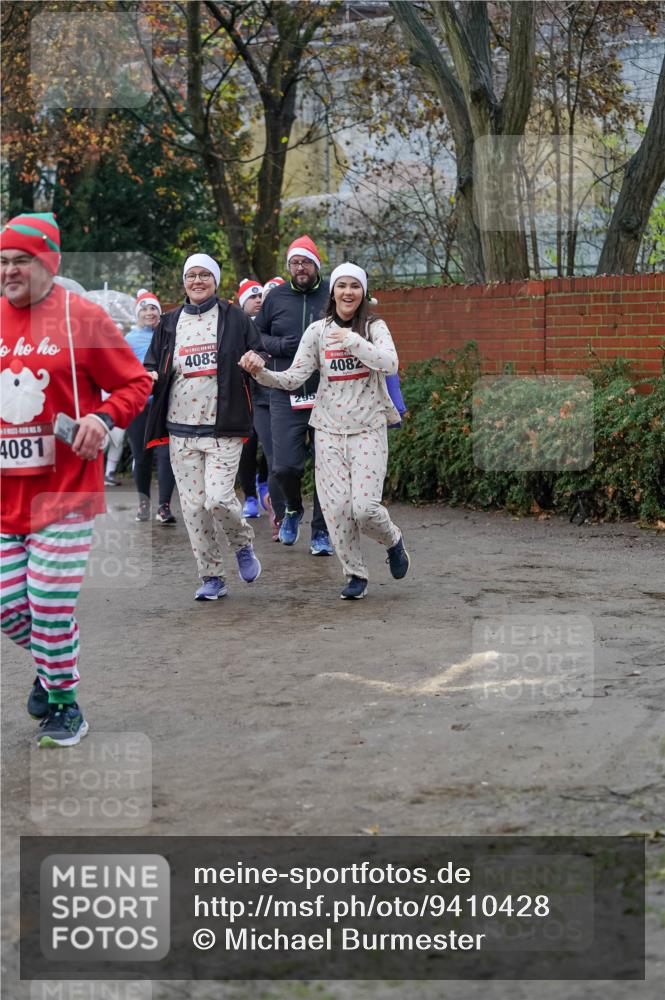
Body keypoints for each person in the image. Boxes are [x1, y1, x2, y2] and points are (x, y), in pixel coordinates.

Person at [0, 212, 152, 745]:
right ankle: (50, 662)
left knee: (46, 602)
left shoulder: (80, 318)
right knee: (9, 608)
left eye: (21, 260)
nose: (10, 271)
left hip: (62, 495)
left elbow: (134, 385)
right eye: (3, 262)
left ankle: (65, 704)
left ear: (47, 262)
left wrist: (102, 418)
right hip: (3, 499)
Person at [240, 261, 410, 600]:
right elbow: (292, 378)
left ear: (363, 292)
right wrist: (260, 373)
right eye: (342, 285)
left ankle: (393, 539)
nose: (348, 292)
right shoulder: (317, 331)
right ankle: (355, 574)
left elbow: (389, 363)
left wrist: (352, 341)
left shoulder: (375, 327)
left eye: (355, 286)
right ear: (333, 292)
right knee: (335, 510)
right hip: (329, 430)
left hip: (368, 429)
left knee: (364, 508)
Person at [143, 253, 263, 601]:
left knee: (219, 499)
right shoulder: (169, 322)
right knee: (194, 508)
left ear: (215, 280)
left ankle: (242, 544)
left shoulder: (235, 317)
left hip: (224, 426)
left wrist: (257, 359)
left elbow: (260, 348)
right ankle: (212, 576)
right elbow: (154, 365)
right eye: (191, 275)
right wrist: (150, 377)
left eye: (204, 275)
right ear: (184, 282)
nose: (197, 281)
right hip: (180, 428)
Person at [254, 236, 333, 555]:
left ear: (316, 265)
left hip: (328, 395)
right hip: (285, 394)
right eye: (295, 263)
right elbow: (256, 335)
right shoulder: (275, 298)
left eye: (306, 262)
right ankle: (292, 509)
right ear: (289, 267)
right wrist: (280, 346)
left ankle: (321, 532)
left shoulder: (332, 293)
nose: (300, 268)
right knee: (285, 466)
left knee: (327, 470)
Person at [125, 289, 177, 523]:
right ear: (138, 314)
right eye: (144, 309)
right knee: (142, 456)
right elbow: (122, 371)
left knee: (167, 456)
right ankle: (143, 503)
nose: (149, 313)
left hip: (166, 405)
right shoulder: (129, 340)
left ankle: (164, 506)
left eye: (153, 308)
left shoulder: (169, 334)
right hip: (140, 407)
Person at [235, 278, 269, 520]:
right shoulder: (236, 325)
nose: (258, 300)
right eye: (252, 297)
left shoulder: (271, 322)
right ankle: (249, 496)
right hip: (243, 397)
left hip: (268, 395)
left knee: (270, 445)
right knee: (247, 447)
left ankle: (265, 483)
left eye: (260, 297)